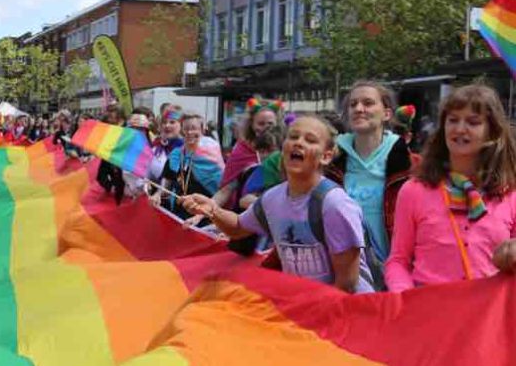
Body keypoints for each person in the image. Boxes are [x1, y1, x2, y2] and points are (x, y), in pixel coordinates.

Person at [183, 115, 374, 294]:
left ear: (326, 156)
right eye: (293, 137)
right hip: (305, 309)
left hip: (346, 313)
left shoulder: (335, 205)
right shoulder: (272, 198)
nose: (298, 142)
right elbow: (238, 227)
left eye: (310, 140)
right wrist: (213, 210)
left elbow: (347, 284)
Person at [386, 84, 516, 292]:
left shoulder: (510, 194)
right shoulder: (413, 191)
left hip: (489, 318)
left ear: (492, 133)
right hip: (429, 315)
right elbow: (398, 261)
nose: (459, 129)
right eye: (453, 120)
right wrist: (405, 298)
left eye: (473, 122)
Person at [326, 81, 415, 271]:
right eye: (353, 104)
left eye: (368, 103)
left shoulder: (411, 164)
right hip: (342, 271)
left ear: (387, 113)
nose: (359, 109)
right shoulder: (329, 160)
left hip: (394, 273)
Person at [151, 114, 224, 221]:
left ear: (202, 130)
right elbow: (167, 182)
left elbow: (221, 189)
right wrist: (157, 194)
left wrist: (200, 216)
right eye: (186, 129)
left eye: (194, 128)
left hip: (204, 214)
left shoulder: (211, 155)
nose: (189, 132)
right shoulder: (175, 155)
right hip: (178, 213)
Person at [214, 98, 282, 210]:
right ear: (252, 125)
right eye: (261, 123)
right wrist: (205, 210)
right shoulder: (242, 150)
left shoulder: (285, 150)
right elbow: (226, 190)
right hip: (246, 216)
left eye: (270, 123)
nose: (266, 127)